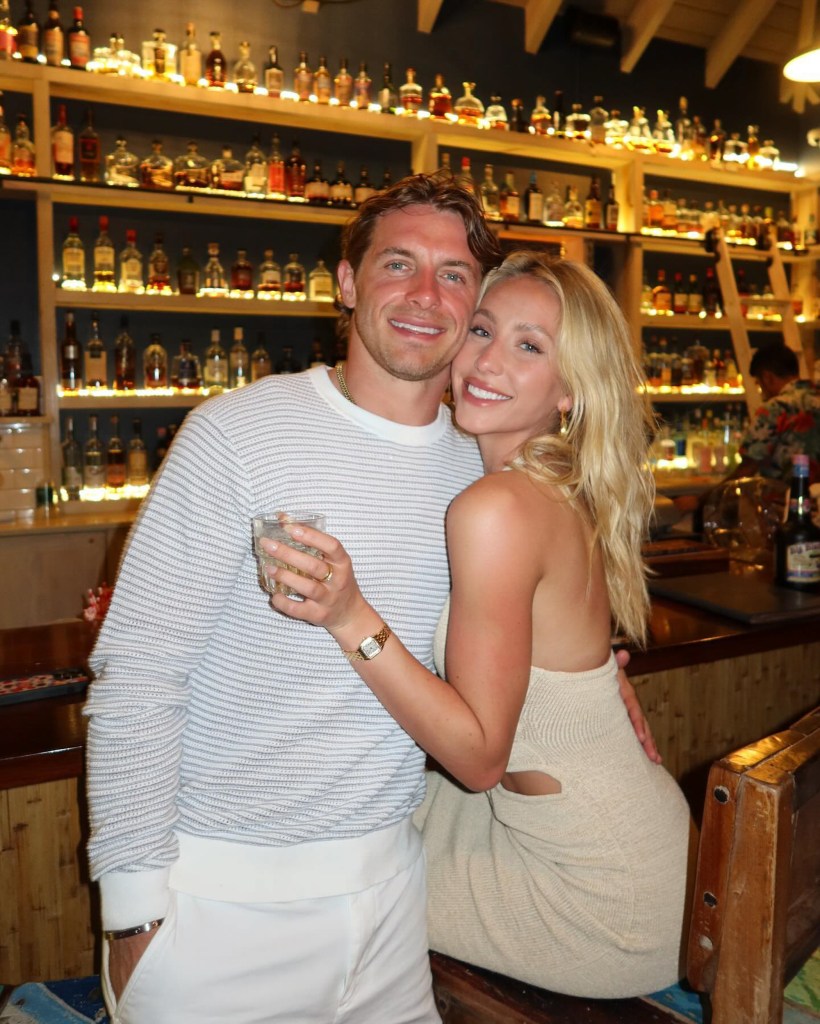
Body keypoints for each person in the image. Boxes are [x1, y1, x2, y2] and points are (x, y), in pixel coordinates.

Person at [84, 175, 655, 1024]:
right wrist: (132, 912)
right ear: (348, 285)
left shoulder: (484, 466)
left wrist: (595, 677)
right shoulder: (235, 433)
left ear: (475, 305)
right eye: (399, 265)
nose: (427, 296)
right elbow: (137, 676)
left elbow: (525, 622)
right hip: (221, 902)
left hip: (395, 899)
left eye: (455, 275)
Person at [265, 252, 693, 999]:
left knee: (317, 876)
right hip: (627, 838)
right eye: (484, 330)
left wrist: (349, 615)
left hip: (594, 900)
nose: (487, 362)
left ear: (570, 391)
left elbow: (478, 760)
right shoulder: (544, 480)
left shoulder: (493, 507)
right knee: (344, 810)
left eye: (529, 347)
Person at [729, 342, 819, 484]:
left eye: (759, 383)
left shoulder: (775, 408)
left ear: (767, 378)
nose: (762, 392)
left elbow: (747, 469)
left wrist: (702, 500)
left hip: (785, 501)